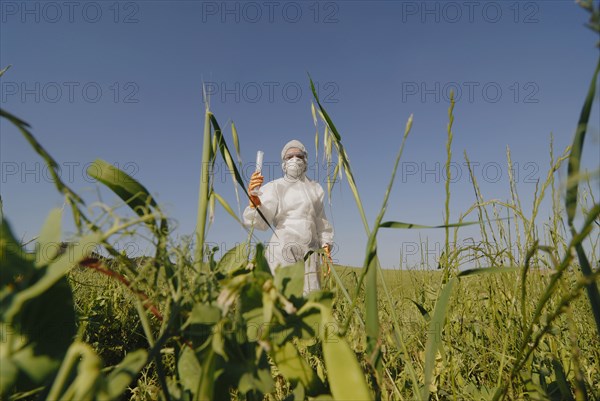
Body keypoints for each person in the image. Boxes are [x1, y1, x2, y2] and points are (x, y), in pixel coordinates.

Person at [243, 139, 334, 295]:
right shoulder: (276, 186)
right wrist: (254, 203)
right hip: (282, 247)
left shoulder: (315, 189)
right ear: (283, 163)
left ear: (305, 160)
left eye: (298, 156)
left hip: (310, 250)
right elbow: (261, 222)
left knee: (310, 298)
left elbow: (321, 221)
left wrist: (326, 247)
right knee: (281, 293)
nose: (294, 159)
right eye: (289, 156)